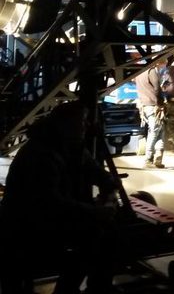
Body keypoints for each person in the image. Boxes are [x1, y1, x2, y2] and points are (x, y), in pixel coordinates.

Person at [0, 100, 120, 294]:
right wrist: (96, 212)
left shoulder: (71, 146)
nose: (87, 126)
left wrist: (110, 188)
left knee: (105, 232)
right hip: (24, 228)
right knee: (96, 239)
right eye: (83, 121)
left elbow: (99, 174)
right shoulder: (41, 153)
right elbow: (50, 203)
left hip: (47, 219)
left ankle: (95, 288)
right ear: (66, 125)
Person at [135, 58, 165, 168]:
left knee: (159, 130)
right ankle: (148, 158)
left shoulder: (139, 72)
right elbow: (157, 88)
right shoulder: (151, 71)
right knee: (155, 131)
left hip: (145, 105)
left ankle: (158, 157)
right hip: (153, 105)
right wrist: (160, 103)